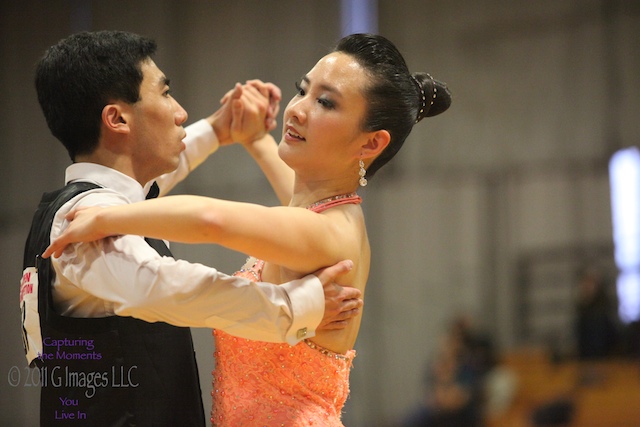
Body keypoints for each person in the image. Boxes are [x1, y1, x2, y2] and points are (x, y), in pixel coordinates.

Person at [45, 33, 452, 426]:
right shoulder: (317, 209)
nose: (296, 109)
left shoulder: (326, 234)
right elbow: (292, 192)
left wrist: (108, 217)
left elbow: (212, 221)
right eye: (303, 89)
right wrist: (252, 137)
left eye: (326, 102)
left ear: (370, 144)